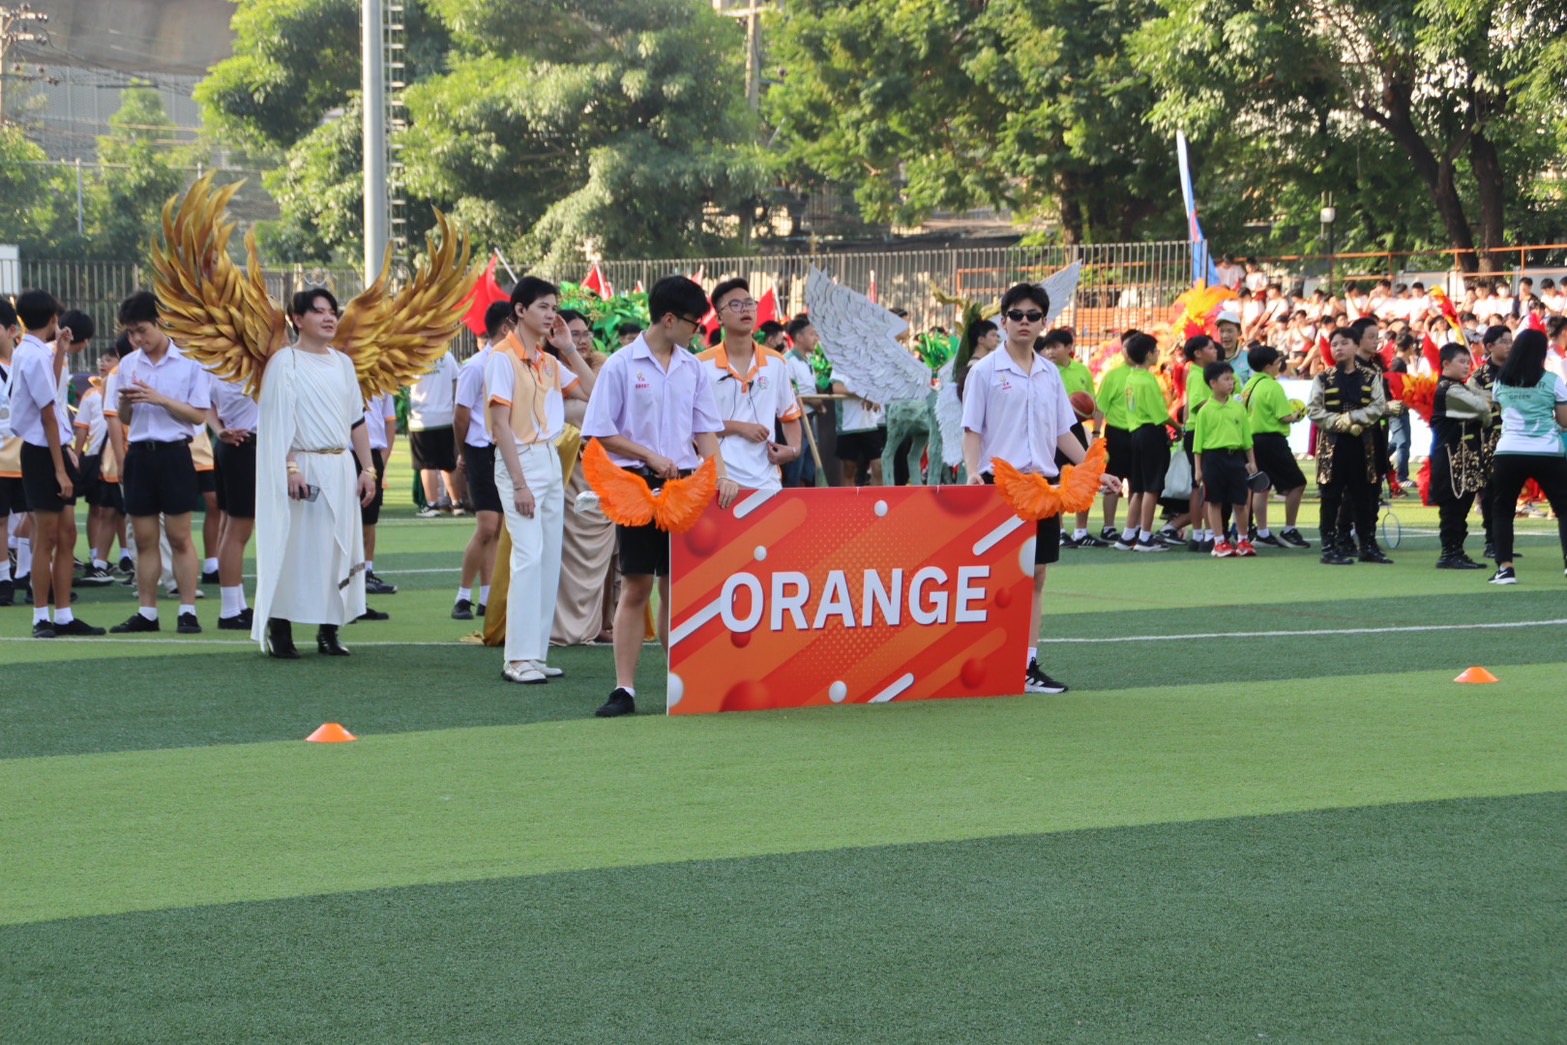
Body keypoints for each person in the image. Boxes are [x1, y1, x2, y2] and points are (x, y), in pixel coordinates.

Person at [580, 275, 734, 717]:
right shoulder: (621, 366)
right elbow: (599, 432)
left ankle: (681, 681)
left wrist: (721, 474)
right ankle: (624, 689)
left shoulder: (693, 369)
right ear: (669, 319)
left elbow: (705, 431)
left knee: (677, 587)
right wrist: (648, 455)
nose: (697, 333)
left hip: (684, 486)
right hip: (637, 487)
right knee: (637, 584)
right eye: (693, 323)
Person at [962, 282, 1105, 695]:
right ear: (1003, 320)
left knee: (1037, 575)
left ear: (1044, 322)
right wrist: (972, 471)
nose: (1024, 322)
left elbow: (1063, 431)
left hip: (1043, 486)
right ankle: (986, 660)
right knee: (997, 578)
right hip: (999, 485)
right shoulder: (984, 372)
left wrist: (1093, 469)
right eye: (1016, 315)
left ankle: (1026, 665)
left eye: (1033, 316)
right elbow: (971, 429)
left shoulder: (1049, 374)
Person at [252, 288, 379, 657]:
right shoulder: (284, 363)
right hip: (301, 467)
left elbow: (356, 420)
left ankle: (329, 630)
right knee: (294, 548)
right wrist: (290, 466)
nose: (328, 318)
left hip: (340, 467)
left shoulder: (343, 364)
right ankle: (280, 629)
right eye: (319, 311)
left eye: (332, 312)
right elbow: (277, 423)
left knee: (336, 548)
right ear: (297, 319)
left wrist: (368, 469)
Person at [485, 277, 597, 684]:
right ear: (520, 310)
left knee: (548, 558)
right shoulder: (502, 358)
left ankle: (535, 653)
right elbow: (500, 424)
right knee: (529, 556)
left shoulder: (549, 361)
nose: (552, 314)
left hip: (549, 458)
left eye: (554, 307)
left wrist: (569, 348)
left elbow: (594, 392)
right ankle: (516, 659)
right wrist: (519, 484)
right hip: (520, 461)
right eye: (543, 307)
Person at [108, 291, 211, 635]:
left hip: (174, 454)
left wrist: (159, 399)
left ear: (160, 322)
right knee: (145, 539)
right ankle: (147, 613)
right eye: (131, 333)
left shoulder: (189, 361)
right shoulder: (129, 364)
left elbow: (198, 415)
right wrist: (127, 402)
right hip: (139, 454)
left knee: (180, 537)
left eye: (142, 330)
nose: (137, 339)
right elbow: (125, 417)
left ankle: (187, 611)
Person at [11, 296, 104, 636]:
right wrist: (61, 470)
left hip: (52, 449)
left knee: (66, 534)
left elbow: (48, 393)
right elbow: (48, 415)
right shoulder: (33, 354)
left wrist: (61, 352)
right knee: (47, 537)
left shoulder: (34, 351)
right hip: (42, 452)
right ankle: (41, 616)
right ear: (53, 318)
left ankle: (63, 615)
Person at [698, 278, 802, 495]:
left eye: (749, 303)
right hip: (717, 482)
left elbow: (789, 416)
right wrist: (740, 427)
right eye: (735, 305)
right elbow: (695, 425)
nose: (745, 309)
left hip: (766, 483)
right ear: (719, 317)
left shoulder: (776, 363)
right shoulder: (700, 365)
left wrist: (793, 450)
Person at [1483, 329, 1567, 585]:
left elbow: (1500, 410)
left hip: (1509, 450)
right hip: (1547, 451)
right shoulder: (1552, 380)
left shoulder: (1501, 381)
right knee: (1564, 509)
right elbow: (1564, 421)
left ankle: (1505, 568)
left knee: (1502, 510)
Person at [553, 307, 616, 646]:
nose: (581, 340)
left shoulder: (602, 368)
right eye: (573, 334)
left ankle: (600, 623)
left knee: (601, 556)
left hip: (597, 472)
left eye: (585, 334)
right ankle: (558, 626)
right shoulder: (546, 368)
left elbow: (602, 401)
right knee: (562, 553)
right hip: (562, 473)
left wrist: (572, 353)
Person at [452, 300, 513, 620]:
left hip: (503, 449)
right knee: (487, 526)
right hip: (479, 448)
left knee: (499, 527)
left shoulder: (513, 362)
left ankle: (488, 598)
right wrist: (463, 453)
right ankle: (463, 596)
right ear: (505, 328)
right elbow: (461, 415)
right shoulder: (476, 366)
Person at [1308, 326, 1389, 566]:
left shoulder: (1370, 376)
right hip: (1332, 445)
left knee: (1363, 495)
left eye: (1344, 343)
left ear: (1355, 346)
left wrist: (1353, 418)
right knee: (1330, 496)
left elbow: (1378, 406)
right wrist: (1339, 422)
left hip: (1363, 445)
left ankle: (1367, 546)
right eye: (1334, 344)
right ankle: (1329, 547)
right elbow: (1314, 410)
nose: (1338, 348)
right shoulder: (1323, 378)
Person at [1040, 327, 1105, 547]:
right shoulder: (1045, 371)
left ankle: (1081, 531)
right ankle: (1060, 531)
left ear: (1069, 348)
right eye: (1048, 347)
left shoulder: (1082, 371)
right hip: (1053, 431)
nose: (1050, 351)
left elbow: (1092, 403)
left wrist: (1095, 432)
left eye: (1055, 347)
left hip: (1076, 429)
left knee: (1084, 478)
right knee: (1057, 480)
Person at [1428, 342, 1490, 570]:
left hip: (1465, 457)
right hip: (1451, 456)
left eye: (1467, 361)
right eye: (1461, 362)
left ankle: (1457, 551)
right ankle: (1449, 553)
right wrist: (1486, 406)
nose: (1466, 366)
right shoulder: (1448, 389)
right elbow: (1482, 407)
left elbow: (1485, 401)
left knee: (1462, 504)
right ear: (1446, 364)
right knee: (1453, 506)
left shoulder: (1459, 387)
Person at [1242, 344, 1310, 548]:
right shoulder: (1272, 386)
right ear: (1268, 366)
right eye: (1278, 362)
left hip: (1253, 441)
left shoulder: (1249, 385)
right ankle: (1289, 530)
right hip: (1272, 440)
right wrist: (1297, 414)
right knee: (1297, 483)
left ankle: (1262, 532)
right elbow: (1284, 416)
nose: (1280, 365)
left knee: (1261, 487)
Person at [208, 372, 260, 628]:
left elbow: (205, 402)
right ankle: (230, 609)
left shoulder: (218, 363)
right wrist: (219, 430)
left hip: (233, 444)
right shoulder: (244, 364)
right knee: (237, 532)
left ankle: (236, 604)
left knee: (230, 527)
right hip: (245, 443)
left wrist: (218, 430)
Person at [1191, 361, 1258, 558]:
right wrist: (1198, 469)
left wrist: (1252, 461)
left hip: (1235, 458)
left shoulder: (1238, 409)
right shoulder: (1205, 411)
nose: (1231, 383)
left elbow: (1247, 439)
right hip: (1213, 459)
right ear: (1213, 383)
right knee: (1215, 501)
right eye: (1226, 379)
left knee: (1240, 502)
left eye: (1232, 379)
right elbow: (1198, 444)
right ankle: (1219, 541)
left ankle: (1243, 540)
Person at [1117, 332, 1173, 552]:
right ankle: (1145, 537)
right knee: (1152, 488)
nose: (1158, 354)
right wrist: (1179, 428)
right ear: (1149, 354)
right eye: (1156, 351)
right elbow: (1160, 415)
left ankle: (1128, 534)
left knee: (1138, 488)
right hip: (1151, 433)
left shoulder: (1130, 377)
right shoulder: (1149, 380)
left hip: (1135, 433)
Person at [1467, 324, 1512, 559]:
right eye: (1504, 342)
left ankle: (1504, 541)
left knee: (1510, 492)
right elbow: (1472, 409)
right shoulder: (1479, 376)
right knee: (1490, 492)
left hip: (1514, 438)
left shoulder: (1518, 372)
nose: (1509, 346)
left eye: (1511, 342)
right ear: (1490, 346)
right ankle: (1491, 541)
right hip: (1489, 441)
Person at [409, 345, 461, 516]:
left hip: (422, 417)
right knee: (448, 463)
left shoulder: (414, 355)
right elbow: (456, 382)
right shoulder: (446, 355)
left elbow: (403, 381)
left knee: (426, 464)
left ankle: (432, 504)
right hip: (445, 416)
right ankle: (457, 502)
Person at [358, 389, 398, 603]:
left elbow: (390, 420)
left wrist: (382, 458)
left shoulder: (382, 381)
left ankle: (367, 571)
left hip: (373, 454)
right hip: (343, 452)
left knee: (369, 518)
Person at [1180, 334, 1219, 551]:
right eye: (1210, 348)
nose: (1215, 351)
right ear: (1198, 353)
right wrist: (1224, 403)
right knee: (1204, 484)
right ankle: (1208, 534)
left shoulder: (1196, 372)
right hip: (1199, 432)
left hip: (1195, 431)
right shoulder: (1198, 374)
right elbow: (1197, 403)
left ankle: (1199, 534)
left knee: (1198, 485)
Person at [1094, 337, 1134, 540]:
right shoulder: (1113, 376)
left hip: (1138, 434)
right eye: (1126, 346)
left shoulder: (1148, 375)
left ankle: (1133, 527)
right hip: (1117, 434)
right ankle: (1108, 526)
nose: (1128, 350)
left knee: (1137, 482)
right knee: (1113, 481)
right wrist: (1096, 433)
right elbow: (1100, 405)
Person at [0, 297, 24, 607]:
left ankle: (27, 572)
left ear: (12, 330)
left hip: (27, 455)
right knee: (1, 520)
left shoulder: (25, 362)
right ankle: (3, 577)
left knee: (33, 516)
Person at [781, 314, 820, 488]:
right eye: (812, 334)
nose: (816, 338)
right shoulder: (788, 361)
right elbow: (791, 393)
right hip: (797, 420)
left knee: (809, 468)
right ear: (799, 337)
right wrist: (813, 401)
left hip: (811, 418)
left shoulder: (808, 360)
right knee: (795, 467)